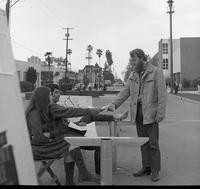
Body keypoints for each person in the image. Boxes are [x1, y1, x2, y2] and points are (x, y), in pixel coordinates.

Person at [26, 86, 128, 185]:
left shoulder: (47, 109)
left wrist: (52, 134)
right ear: (43, 98)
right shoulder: (36, 113)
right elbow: (39, 138)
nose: (51, 97)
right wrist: (52, 136)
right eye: (50, 95)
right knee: (71, 142)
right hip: (40, 148)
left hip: (57, 138)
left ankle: (76, 179)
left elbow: (69, 115)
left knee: (72, 141)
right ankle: (82, 174)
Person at [106, 48, 167, 182]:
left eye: (134, 60)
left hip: (151, 113)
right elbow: (125, 92)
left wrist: (160, 113)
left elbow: (162, 94)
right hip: (138, 113)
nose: (132, 62)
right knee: (143, 142)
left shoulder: (156, 72)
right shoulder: (134, 74)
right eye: (131, 60)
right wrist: (113, 105)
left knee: (153, 144)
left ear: (142, 58)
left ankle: (155, 170)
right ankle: (146, 167)